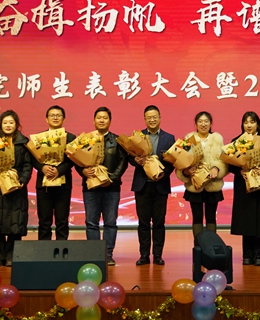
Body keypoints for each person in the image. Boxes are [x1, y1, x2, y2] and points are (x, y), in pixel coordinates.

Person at [76, 107, 128, 266]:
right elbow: (76, 160)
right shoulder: (85, 140)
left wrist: (111, 178)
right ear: (94, 120)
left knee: (110, 222)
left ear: (110, 121)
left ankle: (108, 254)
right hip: (91, 187)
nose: (101, 120)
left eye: (105, 118)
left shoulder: (117, 140)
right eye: (99, 117)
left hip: (111, 188)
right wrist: (83, 171)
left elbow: (123, 162)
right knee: (91, 222)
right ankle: (94, 254)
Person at [229, 111, 260, 266]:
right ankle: (247, 254)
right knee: (246, 220)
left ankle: (259, 255)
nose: (249, 125)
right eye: (246, 122)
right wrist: (240, 171)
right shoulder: (236, 142)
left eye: (252, 122)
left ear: (258, 124)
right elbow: (229, 163)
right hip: (243, 186)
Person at [0, 110, 32, 267]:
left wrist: (23, 180)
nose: (8, 125)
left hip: (16, 186)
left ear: (17, 125)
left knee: (15, 222)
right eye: (5, 123)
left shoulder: (23, 143)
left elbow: (27, 165)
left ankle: (12, 255)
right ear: (1, 125)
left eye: (11, 122)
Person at [129, 105, 175, 266]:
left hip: (160, 185)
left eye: (155, 117)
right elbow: (130, 156)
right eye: (149, 117)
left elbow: (173, 161)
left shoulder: (169, 138)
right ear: (145, 119)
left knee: (159, 223)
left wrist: (163, 173)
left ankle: (157, 255)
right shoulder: (138, 136)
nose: (152, 120)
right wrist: (136, 160)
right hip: (142, 185)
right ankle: (143, 255)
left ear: (160, 118)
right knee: (143, 223)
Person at [176, 111, 228, 239]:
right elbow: (180, 161)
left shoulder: (217, 139)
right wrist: (186, 171)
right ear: (196, 124)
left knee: (211, 217)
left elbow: (224, 160)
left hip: (212, 184)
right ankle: (198, 246)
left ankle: (211, 246)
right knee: (197, 217)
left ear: (211, 124)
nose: (203, 124)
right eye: (200, 121)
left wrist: (217, 168)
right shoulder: (189, 139)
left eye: (206, 121)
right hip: (195, 185)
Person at [31, 105, 77, 241]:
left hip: (63, 185)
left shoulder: (70, 137)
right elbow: (32, 158)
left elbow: (73, 159)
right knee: (44, 221)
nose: (55, 118)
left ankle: (62, 249)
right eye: (52, 115)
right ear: (46, 119)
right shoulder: (39, 138)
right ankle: (44, 250)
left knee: (62, 220)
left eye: (58, 115)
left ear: (64, 119)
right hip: (43, 185)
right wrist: (42, 168)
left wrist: (59, 170)